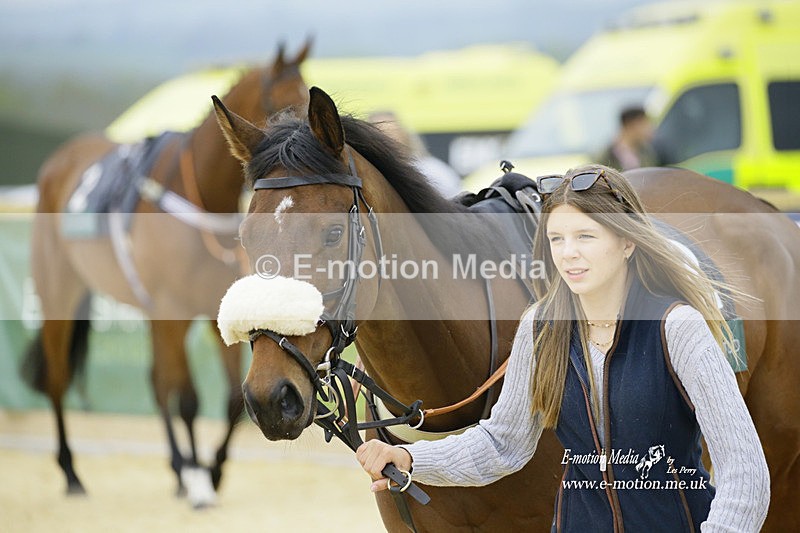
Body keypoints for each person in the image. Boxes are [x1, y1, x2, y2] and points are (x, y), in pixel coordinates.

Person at [356, 164, 770, 531]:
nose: (569, 254)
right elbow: (503, 443)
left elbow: (745, 473)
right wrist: (413, 460)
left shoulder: (677, 328)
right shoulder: (540, 329)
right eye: (557, 239)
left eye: (586, 236)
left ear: (627, 243)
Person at [368, 110, 462, 198]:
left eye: (392, 131)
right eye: (381, 133)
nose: (389, 139)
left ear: (404, 134)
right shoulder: (366, 175)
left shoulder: (434, 171)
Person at [598, 106, 659, 171]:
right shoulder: (607, 155)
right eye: (645, 124)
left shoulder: (646, 151)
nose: (650, 128)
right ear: (631, 124)